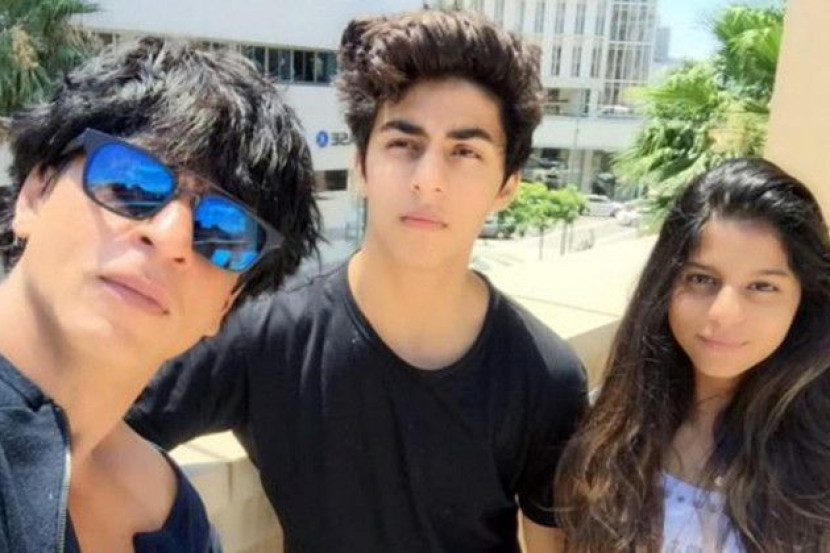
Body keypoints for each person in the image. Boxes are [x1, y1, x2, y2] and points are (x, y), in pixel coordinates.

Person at [128, 10, 587, 553]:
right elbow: (95, 433)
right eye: (403, 144)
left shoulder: (545, 375)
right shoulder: (265, 331)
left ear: (507, 185)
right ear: (362, 166)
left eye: (465, 152)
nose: (428, 180)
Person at [0, 38, 320, 553]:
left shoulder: (171, 510)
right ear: (35, 194)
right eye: (130, 182)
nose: (172, 236)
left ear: (226, 305)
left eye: (223, 230)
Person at [555, 158, 830, 552]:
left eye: (762, 287)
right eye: (702, 279)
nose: (724, 314)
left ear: (805, 298)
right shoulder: (605, 427)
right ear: (666, 285)